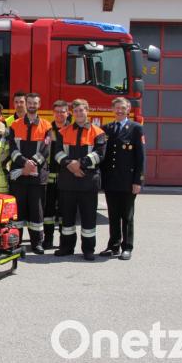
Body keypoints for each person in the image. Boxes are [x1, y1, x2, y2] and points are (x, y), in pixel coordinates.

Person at [53, 99, 106, 261]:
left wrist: (79, 165)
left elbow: (100, 154)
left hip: (88, 182)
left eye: (81, 110)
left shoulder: (98, 132)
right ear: (72, 113)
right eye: (75, 111)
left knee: (88, 218)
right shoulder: (63, 131)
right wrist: (71, 165)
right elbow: (57, 153)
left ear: (87, 111)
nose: (78, 114)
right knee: (67, 219)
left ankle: (88, 249)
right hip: (68, 182)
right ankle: (66, 247)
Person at [99, 97, 145, 261]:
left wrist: (137, 181)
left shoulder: (136, 129)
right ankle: (113, 246)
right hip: (111, 180)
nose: (119, 111)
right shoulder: (107, 129)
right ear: (113, 109)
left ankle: (127, 247)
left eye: (122, 108)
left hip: (127, 181)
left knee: (127, 216)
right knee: (113, 215)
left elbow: (140, 157)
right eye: (117, 108)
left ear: (128, 109)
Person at [7, 92, 51, 254]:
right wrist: (24, 163)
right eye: (30, 102)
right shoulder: (15, 125)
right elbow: (11, 148)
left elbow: (46, 150)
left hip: (38, 176)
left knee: (37, 210)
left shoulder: (47, 126)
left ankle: (37, 243)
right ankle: (15, 243)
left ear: (39, 105)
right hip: (19, 175)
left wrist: (32, 164)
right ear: (26, 104)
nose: (32, 105)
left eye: (35, 103)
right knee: (17, 211)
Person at [43, 100, 71, 249]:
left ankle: (63, 242)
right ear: (53, 113)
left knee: (64, 210)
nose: (60, 114)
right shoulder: (48, 129)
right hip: (50, 176)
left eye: (63, 111)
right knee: (48, 211)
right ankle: (47, 240)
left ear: (67, 113)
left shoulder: (72, 129)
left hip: (67, 176)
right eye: (57, 112)